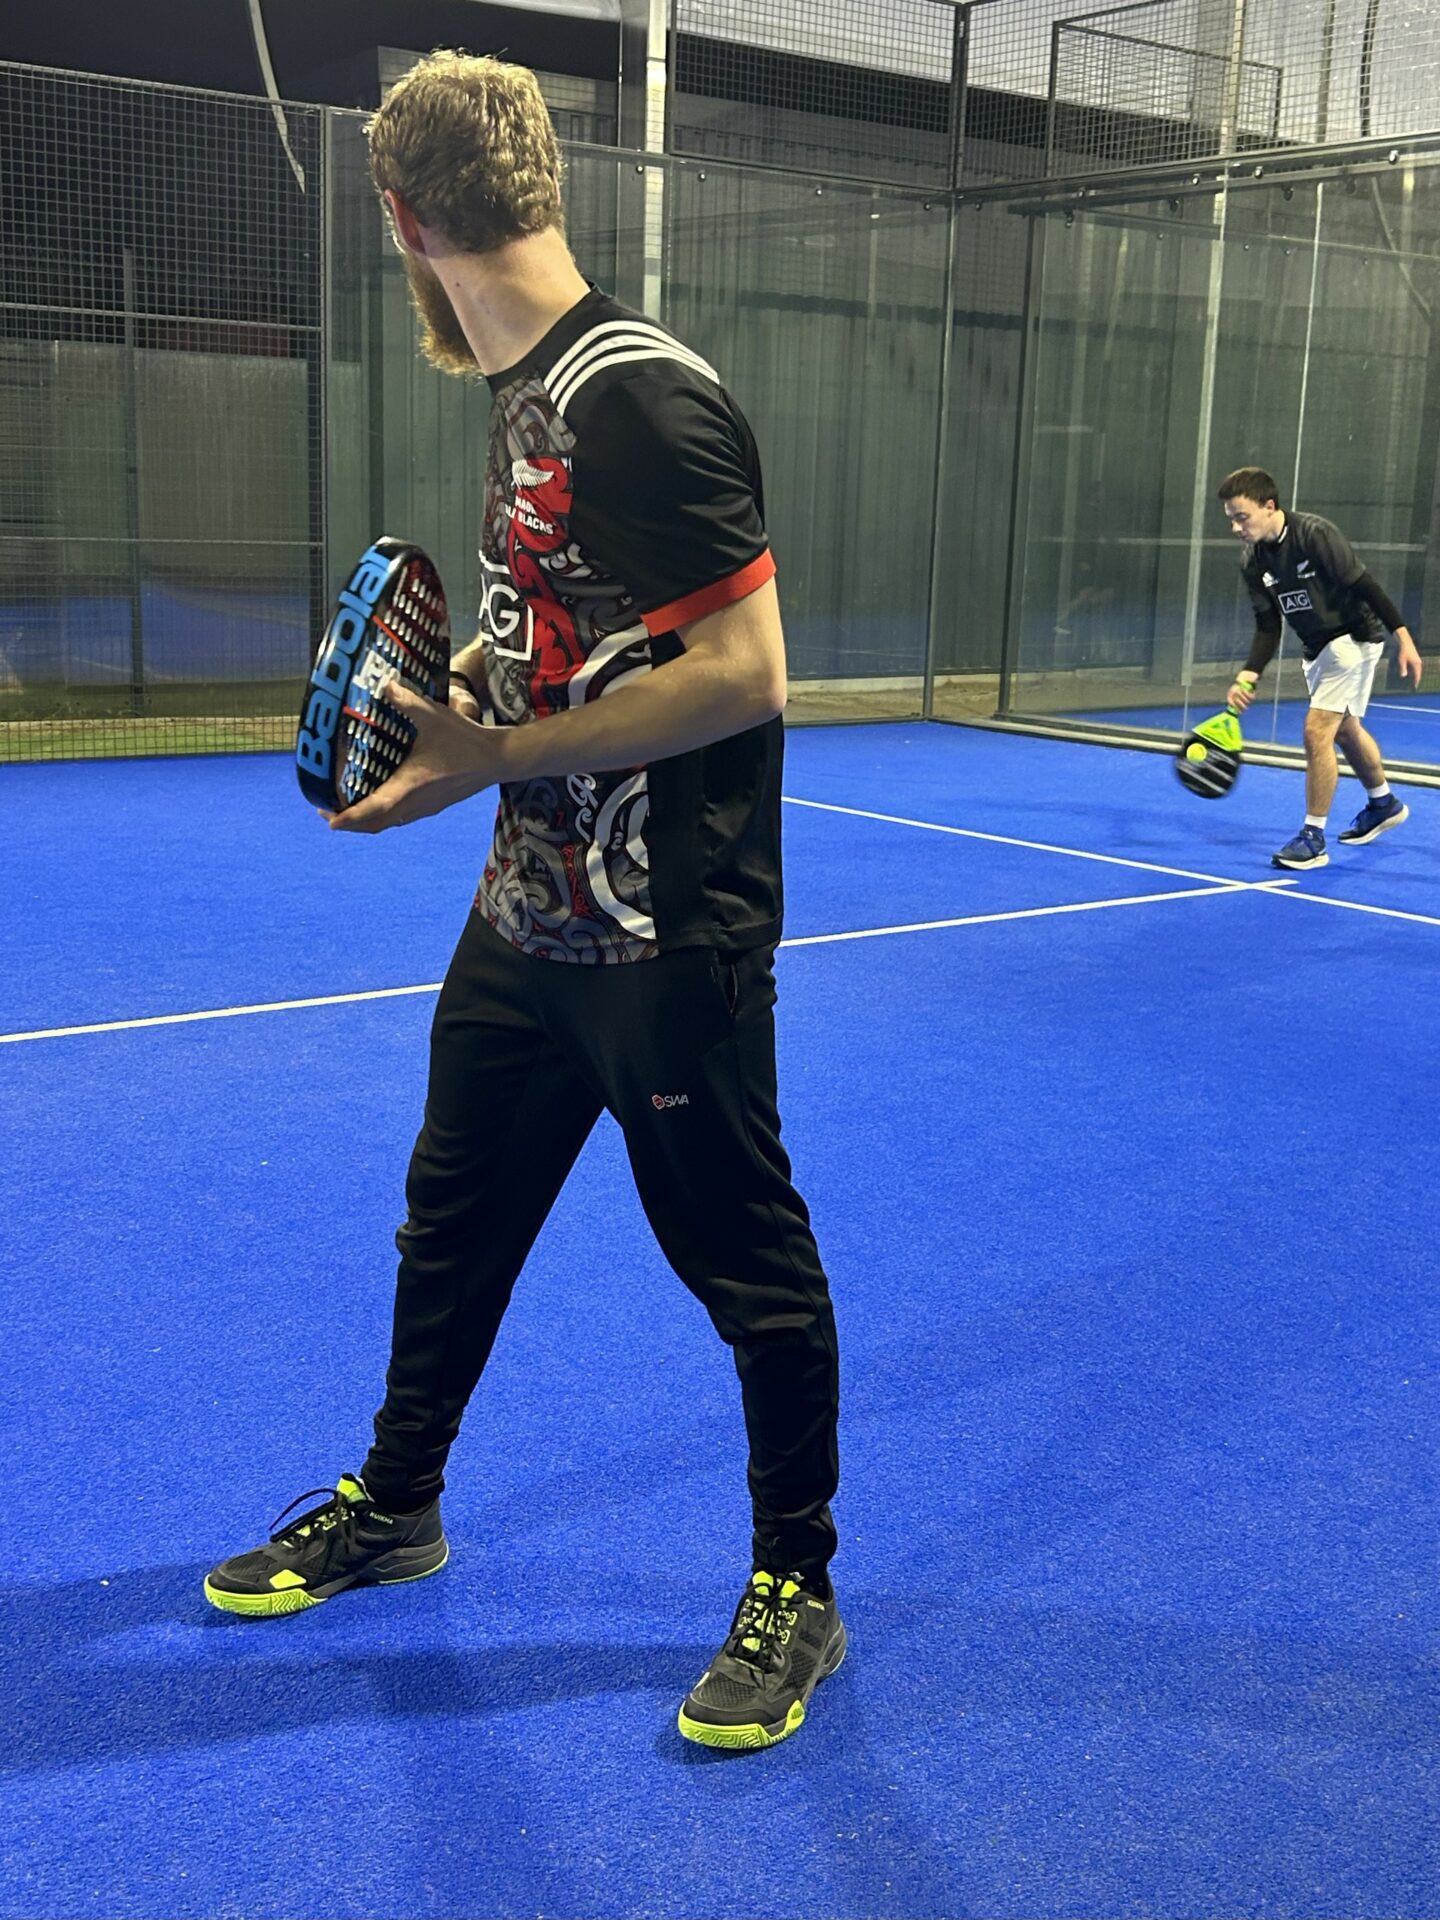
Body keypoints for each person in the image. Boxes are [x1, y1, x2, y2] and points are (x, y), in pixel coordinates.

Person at [204, 51, 844, 1753]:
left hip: (667, 939)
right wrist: (459, 713)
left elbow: (749, 674)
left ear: (400, 219)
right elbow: (564, 630)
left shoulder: (642, 400)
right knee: (452, 1224)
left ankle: (798, 1586)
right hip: (522, 923)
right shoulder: (526, 389)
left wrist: (491, 754)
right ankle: (397, 1505)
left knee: (746, 1266)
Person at [1217, 467, 1423, 870]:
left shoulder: (1315, 535)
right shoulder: (1253, 561)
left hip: (1353, 639)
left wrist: (1404, 637)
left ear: (1269, 506)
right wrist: (1249, 674)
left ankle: (1313, 838)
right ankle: (1383, 803)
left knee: (1317, 731)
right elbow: (1268, 625)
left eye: (1242, 517)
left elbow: (1365, 585)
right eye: (1231, 520)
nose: (1236, 527)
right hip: (1317, 648)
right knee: (1345, 730)